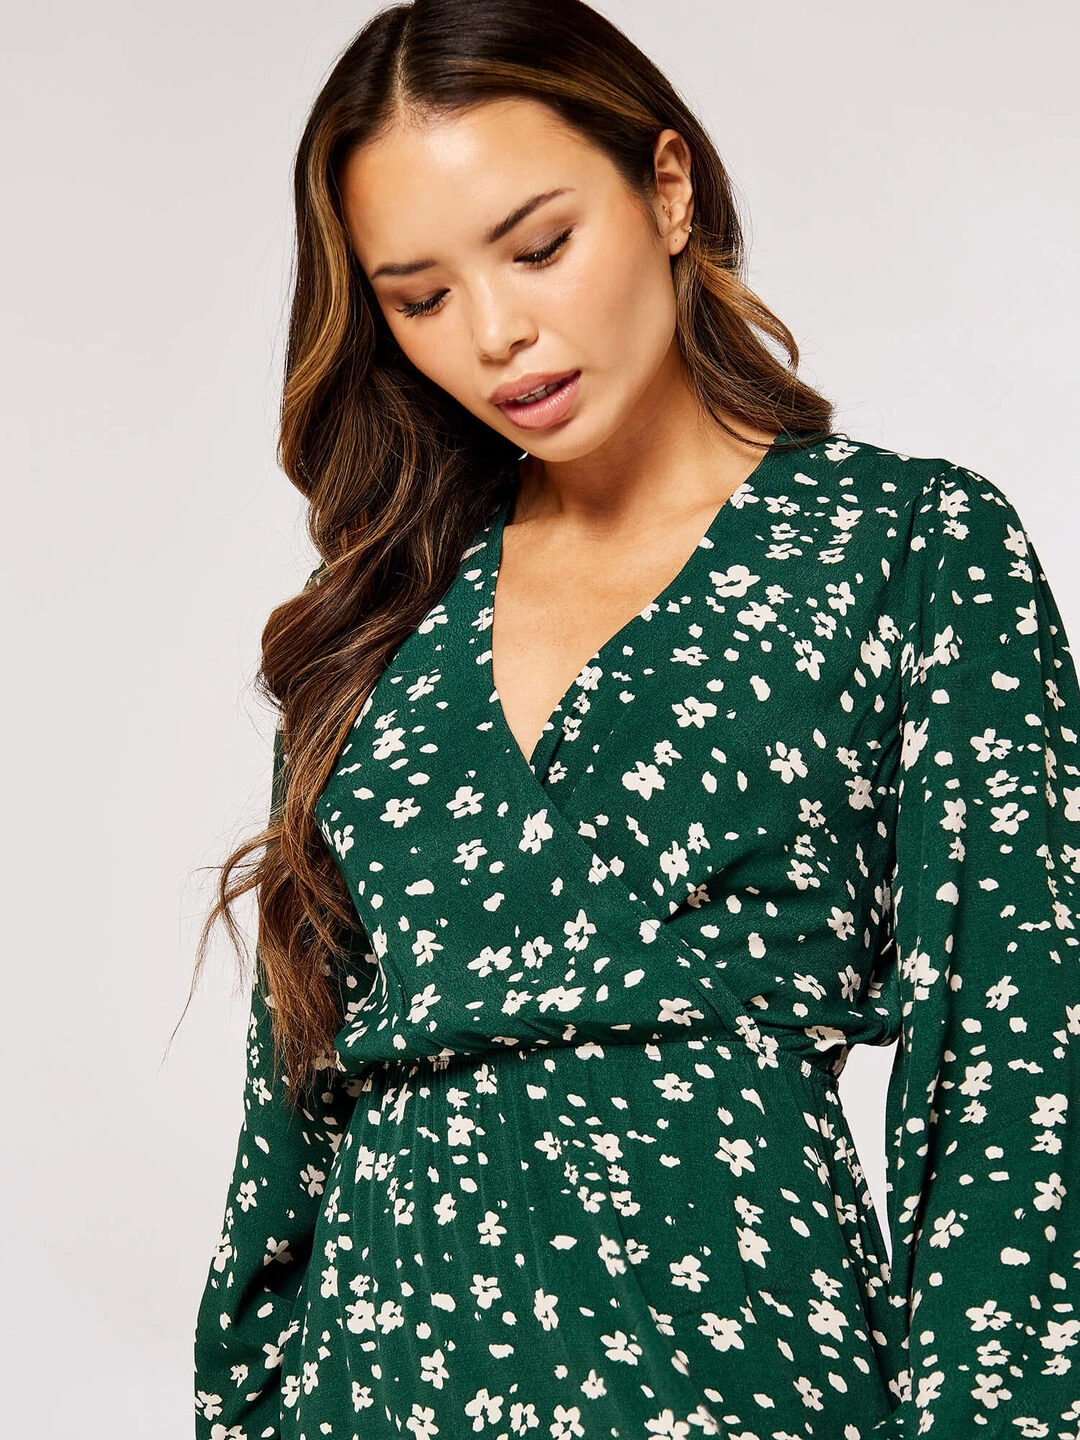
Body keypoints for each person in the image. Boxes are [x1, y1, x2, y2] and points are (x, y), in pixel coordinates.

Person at [190, 1, 1080, 1435]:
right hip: (375, 1397)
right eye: (420, 298)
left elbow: (1016, 1078)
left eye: (538, 247)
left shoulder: (905, 549)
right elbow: (286, 1143)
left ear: (668, 189)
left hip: (740, 1385)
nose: (498, 332)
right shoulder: (383, 622)